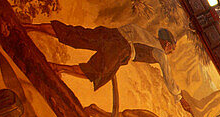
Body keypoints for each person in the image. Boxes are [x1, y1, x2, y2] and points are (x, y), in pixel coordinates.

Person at [22, 21, 186, 106]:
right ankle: (57, 68)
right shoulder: (160, 53)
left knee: (74, 34)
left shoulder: (145, 35)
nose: (169, 52)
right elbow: (169, 79)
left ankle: (29, 26)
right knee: (96, 72)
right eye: (171, 48)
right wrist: (179, 97)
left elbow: (129, 28)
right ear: (167, 45)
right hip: (120, 48)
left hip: (111, 34)